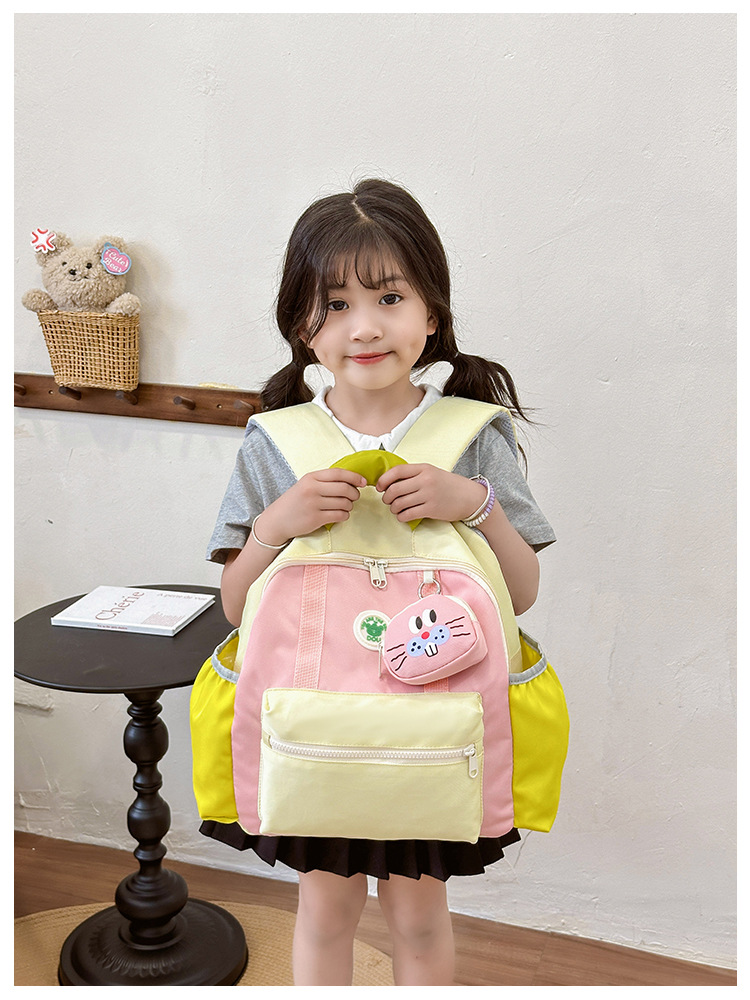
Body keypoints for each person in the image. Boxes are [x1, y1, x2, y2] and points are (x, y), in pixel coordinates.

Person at [203, 178, 555, 986]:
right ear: (302, 325)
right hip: (314, 728)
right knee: (325, 913)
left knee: (420, 918)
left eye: (390, 297)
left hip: (433, 732)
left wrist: (477, 505)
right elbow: (235, 608)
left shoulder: (474, 433)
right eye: (334, 304)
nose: (363, 326)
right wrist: (276, 525)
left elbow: (520, 595)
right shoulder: (275, 442)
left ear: (432, 313)